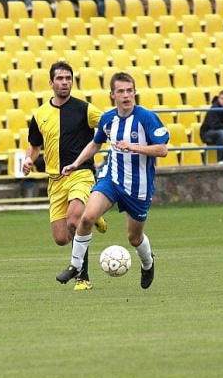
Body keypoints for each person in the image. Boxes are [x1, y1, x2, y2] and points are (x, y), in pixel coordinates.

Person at [56, 72, 170, 290]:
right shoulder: (108, 119)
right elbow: (96, 143)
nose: (126, 95)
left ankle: (148, 263)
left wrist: (134, 147)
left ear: (134, 92)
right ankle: (75, 266)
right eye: (121, 91)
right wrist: (77, 163)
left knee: (134, 238)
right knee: (87, 217)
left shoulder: (146, 118)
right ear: (112, 94)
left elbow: (162, 150)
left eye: (129, 90)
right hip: (112, 180)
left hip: (139, 187)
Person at [22, 62, 108, 291]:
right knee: (61, 237)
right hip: (55, 181)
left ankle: (83, 277)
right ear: (51, 83)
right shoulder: (39, 115)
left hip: (81, 173)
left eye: (68, 78)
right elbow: (34, 146)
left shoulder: (85, 109)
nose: (65, 82)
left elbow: (111, 123)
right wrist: (29, 159)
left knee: (74, 220)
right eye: (60, 78)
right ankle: (93, 215)